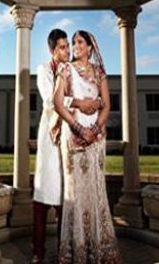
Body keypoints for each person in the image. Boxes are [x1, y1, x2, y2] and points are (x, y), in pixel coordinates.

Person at [32, 28, 101, 264]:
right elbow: (51, 100)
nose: (67, 50)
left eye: (68, 46)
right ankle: (38, 252)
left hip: (70, 135)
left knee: (67, 195)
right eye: (62, 47)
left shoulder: (71, 70)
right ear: (53, 50)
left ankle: (67, 251)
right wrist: (80, 102)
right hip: (50, 136)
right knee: (43, 194)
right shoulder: (44, 70)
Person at [52, 30, 121, 264]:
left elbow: (107, 105)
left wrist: (95, 129)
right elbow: (58, 102)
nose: (75, 45)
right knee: (76, 194)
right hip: (73, 138)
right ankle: (76, 251)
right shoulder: (66, 70)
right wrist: (80, 129)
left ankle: (99, 249)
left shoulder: (99, 73)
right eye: (73, 42)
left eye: (80, 42)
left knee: (96, 191)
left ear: (91, 46)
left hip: (96, 140)